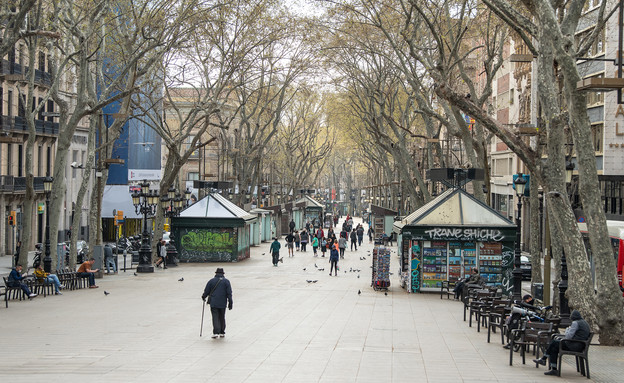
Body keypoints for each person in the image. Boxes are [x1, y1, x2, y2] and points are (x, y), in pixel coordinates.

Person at [534, 310, 591, 375]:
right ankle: (548, 363)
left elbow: (568, 337)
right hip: (580, 346)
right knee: (554, 345)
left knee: (554, 343)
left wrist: (567, 330)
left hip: (573, 346)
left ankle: (545, 360)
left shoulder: (575, 323)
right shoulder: (585, 323)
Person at [202, 268, 233, 339]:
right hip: (223, 302)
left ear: (216, 273)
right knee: (222, 316)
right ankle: (222, 332)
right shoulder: (226, 282)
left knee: (215, 317)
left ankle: (216, 332)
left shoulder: (211, 281)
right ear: (223, 274)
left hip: (214, 302)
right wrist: (230, 302)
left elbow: (206, 290)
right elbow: (229, 293)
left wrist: (204, 296)